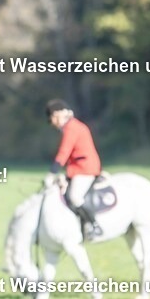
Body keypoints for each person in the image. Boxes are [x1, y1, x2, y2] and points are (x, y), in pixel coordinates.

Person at [46, 99, 103, 239]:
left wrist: (52, 173)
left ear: (57, 114)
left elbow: (64, 152)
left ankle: (94, 225)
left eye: (52, 118)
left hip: (85, 168)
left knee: (75, 197)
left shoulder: (72, 127)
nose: (53, 123)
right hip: (77, 168)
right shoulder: (71, 126)